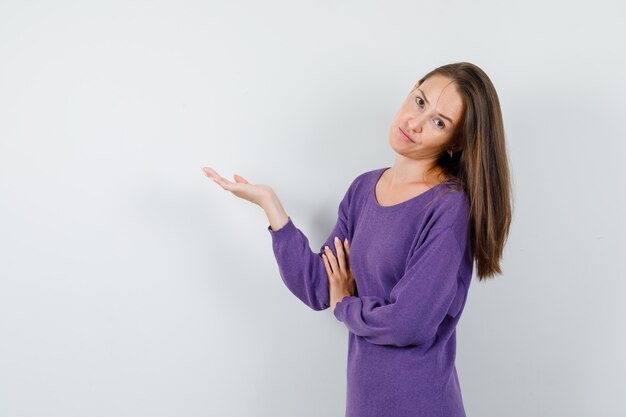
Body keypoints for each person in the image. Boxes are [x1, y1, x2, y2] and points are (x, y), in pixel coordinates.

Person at [201, 61, 512, 417]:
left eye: (439, 122)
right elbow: (319, 286)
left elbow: (410, 322)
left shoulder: (448, 207)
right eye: (420, 102)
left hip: (421, 403)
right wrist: (272, 208)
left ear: (455, 142)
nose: (415, 122)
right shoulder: (364, 189)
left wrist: (345, 306)